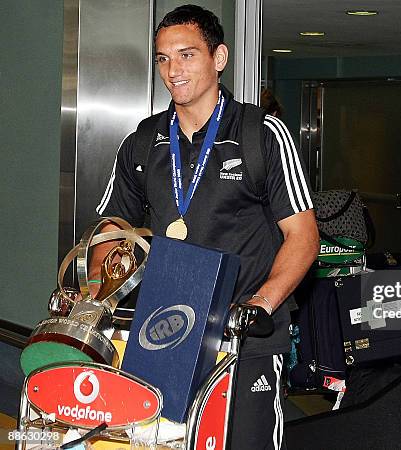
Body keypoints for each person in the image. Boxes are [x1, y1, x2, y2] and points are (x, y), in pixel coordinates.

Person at [92, 5, 319, 448]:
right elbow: (112, 225)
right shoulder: (143, 141)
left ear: (219, 58)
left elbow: (303, 237)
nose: (173, 70)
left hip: (244, 338)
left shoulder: (261, 133)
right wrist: (101, 278)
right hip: (164, 333)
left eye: (187, 55)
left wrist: (259, 305)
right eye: (162, 58)